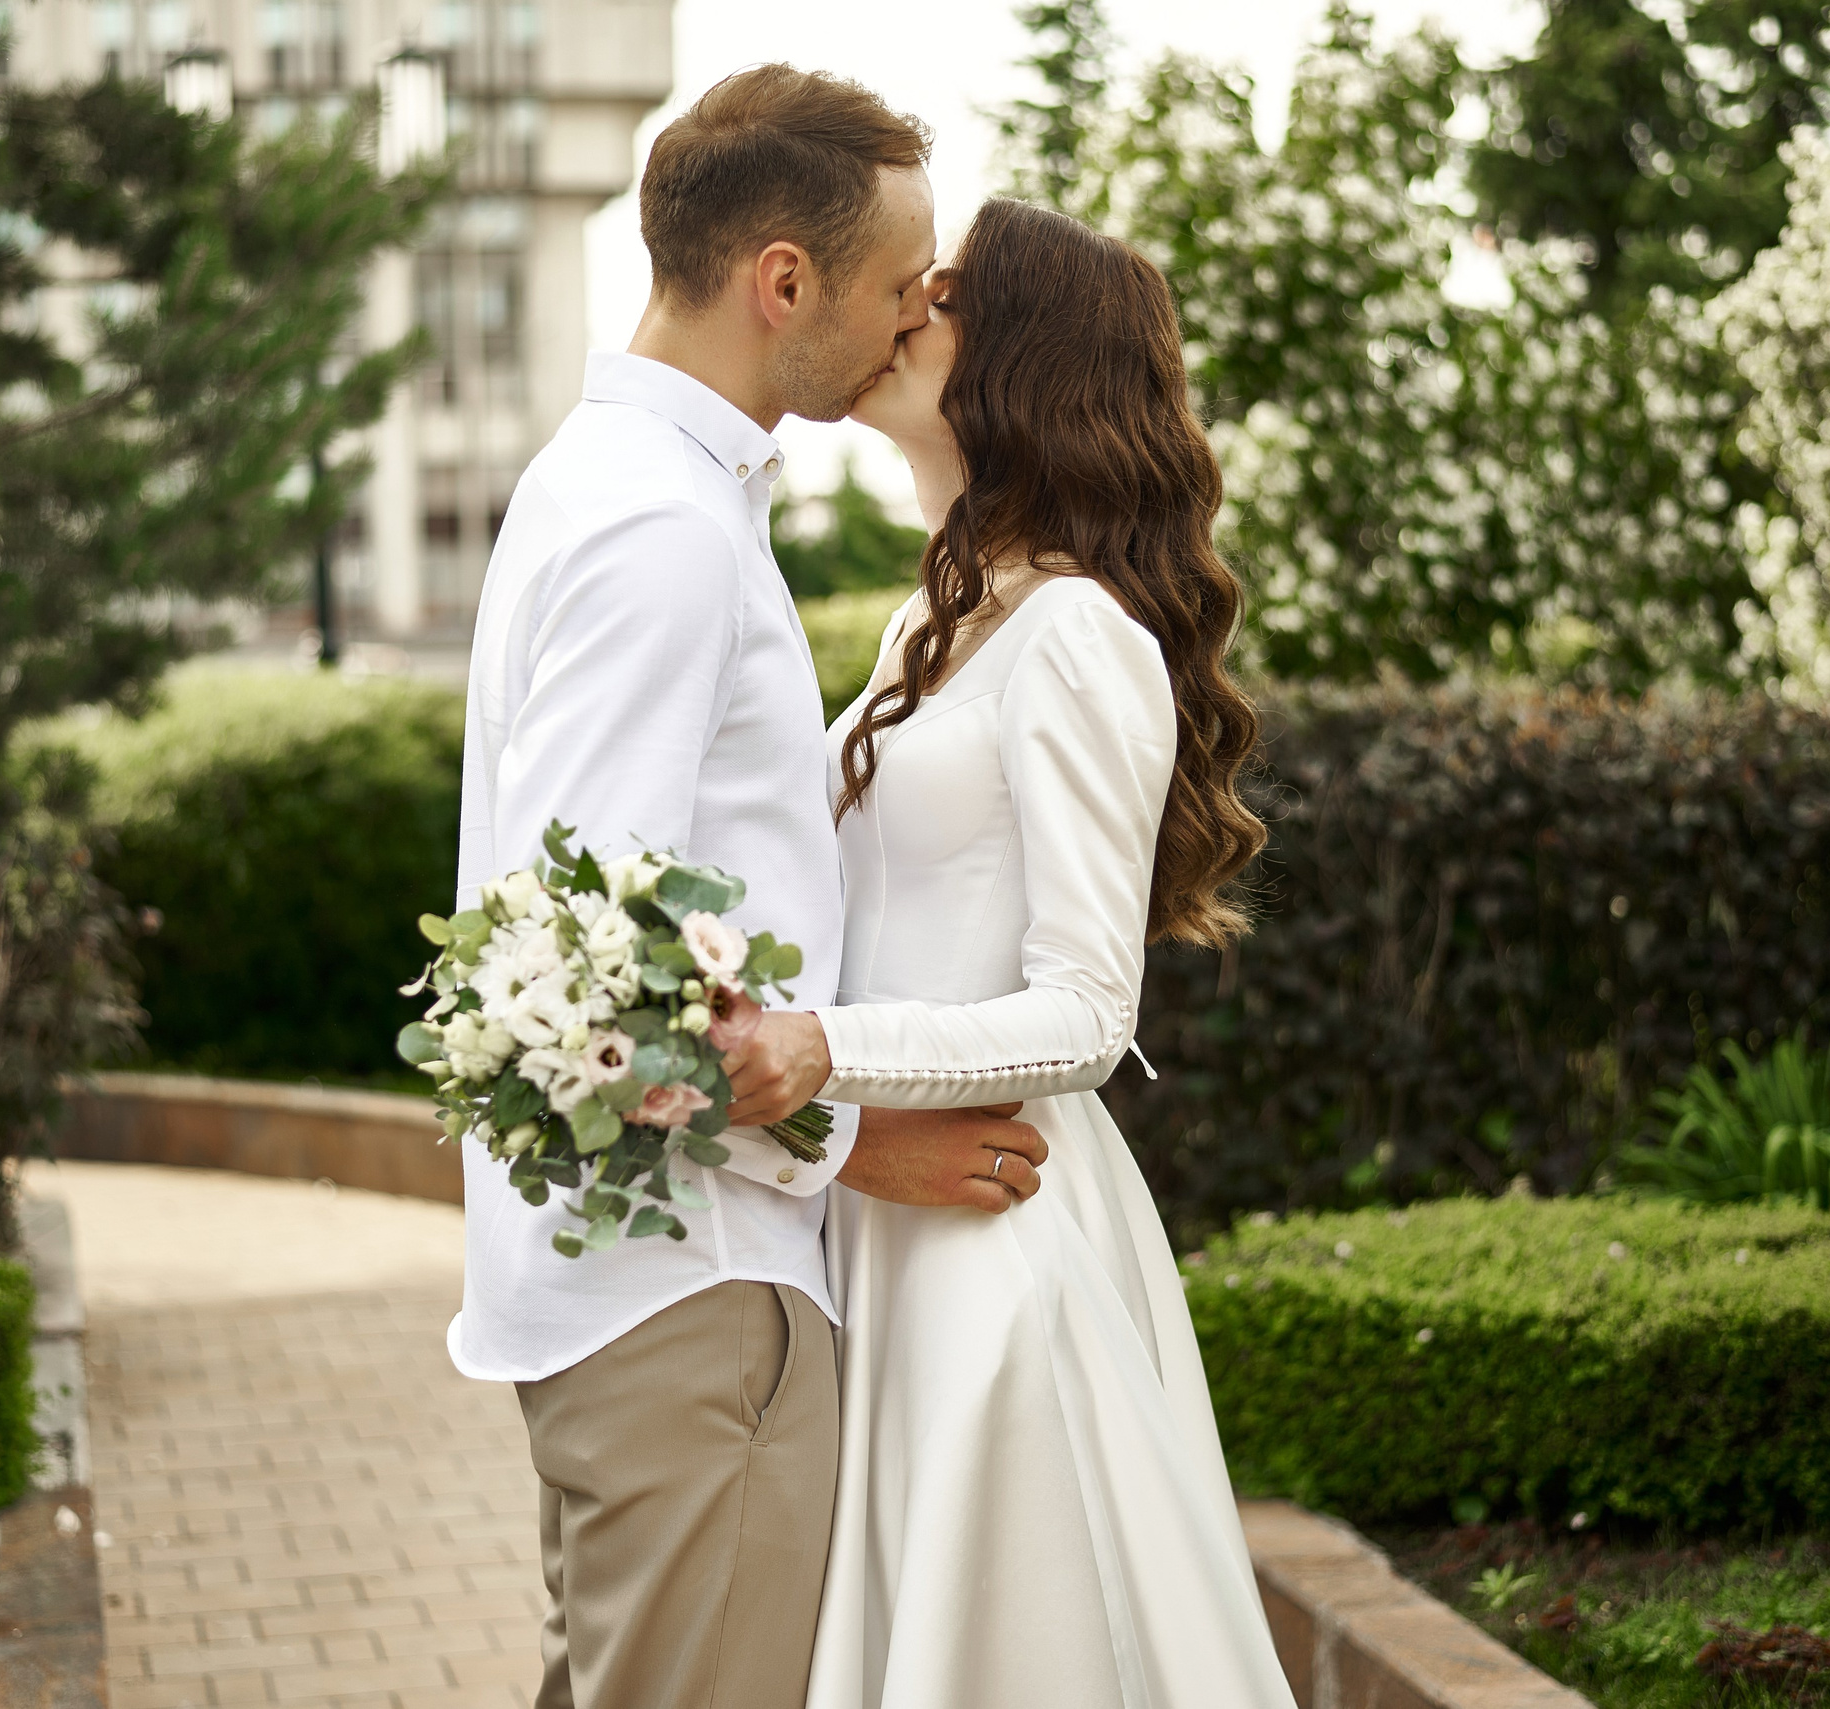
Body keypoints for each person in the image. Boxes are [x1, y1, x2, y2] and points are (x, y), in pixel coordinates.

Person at [447, 66, 1048, 1709]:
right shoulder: (660, 530)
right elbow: (575, 978)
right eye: (901, 281)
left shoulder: (618, 485)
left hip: (637, 1295)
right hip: (690, 1303)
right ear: (783, 280)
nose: (922, 313)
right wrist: (860, 1141)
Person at [720, 198, 1300, 1705]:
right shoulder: (941, 615)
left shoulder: (1082, 635)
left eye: (946, 293)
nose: (902, 308)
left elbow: (1089, 1010)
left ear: (1028, 359)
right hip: (878, 1221)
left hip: (990, 1247)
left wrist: (824, 1056)